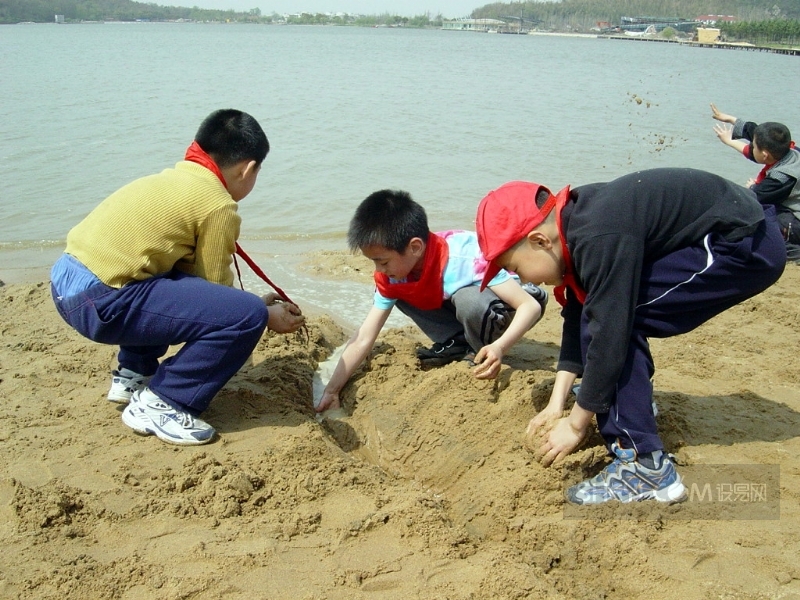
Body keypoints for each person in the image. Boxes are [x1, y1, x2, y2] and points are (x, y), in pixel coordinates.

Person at [475, 169, 786, 505]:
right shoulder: (575, 222)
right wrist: (556, 403)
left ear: (539, 241)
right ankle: (633, 406)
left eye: (517, 269)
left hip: (742, 245)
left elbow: (609, 331)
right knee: (604, 313)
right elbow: (580, 309)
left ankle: (645, 466)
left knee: (620, 321)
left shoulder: (597, 235)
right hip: (733, 229)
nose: (521, 279)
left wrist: (577, 425)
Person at [50, 109, 305, 446]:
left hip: (67, 284)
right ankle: (164, 402)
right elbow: (214, 291)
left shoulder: (174, 178)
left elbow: (191, 286)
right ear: (249, 168)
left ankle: (135, 375)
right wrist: (262, 314)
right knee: (247, 316)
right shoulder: (216, 203)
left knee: (161, 271)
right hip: (102, 302)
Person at [315, 189, 548, 413]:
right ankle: (459, 343)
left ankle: (477, 350)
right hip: (469, 303)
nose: (379, 270)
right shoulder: (393, 276)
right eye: (374, 262)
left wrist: (499, 347)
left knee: (468, 300)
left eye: (383, 262)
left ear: (415, 247)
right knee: (401, 292)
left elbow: (530, 307)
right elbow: (365, 336)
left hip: (512, 299)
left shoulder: (464, 258)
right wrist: (332, 390)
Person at [711, 103, 800, 257]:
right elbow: (756, 131)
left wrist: (753, 187)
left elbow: (752, 199)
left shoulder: (781, 178)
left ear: (765, 155)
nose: (751, 146)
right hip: (785, 199)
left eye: (754, 146)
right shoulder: (787, 149)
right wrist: (730, 119)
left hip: (795, 219)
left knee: (755, 220)